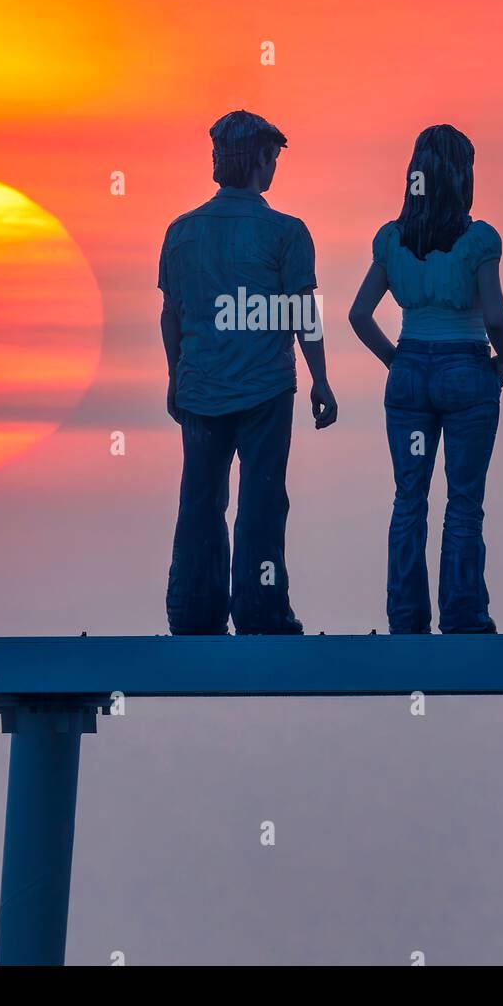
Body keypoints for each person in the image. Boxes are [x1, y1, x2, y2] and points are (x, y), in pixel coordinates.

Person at [159, 110, 338, 635]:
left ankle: (193, 611)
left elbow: (172, 314)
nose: (276, 165)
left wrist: (175, 375)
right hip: (265, 388)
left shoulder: (181, 232)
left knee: (200, 500)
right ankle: (261, 610)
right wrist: (321, 379)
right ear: (261, 159)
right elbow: (303, 313)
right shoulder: (286, 233)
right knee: (261, 499)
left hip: (200, 387)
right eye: (274, 157)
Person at [348, 124, 503, 634]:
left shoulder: (392, 240)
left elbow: (358, 314)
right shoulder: (479, 240)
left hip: (409, 373)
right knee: (464, 500)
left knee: (408, 498)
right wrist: (502, 361)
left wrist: (396, 361)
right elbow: (496, 318)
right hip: (466, 370)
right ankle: (463, 615)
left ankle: (406, 616)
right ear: (463, 177)